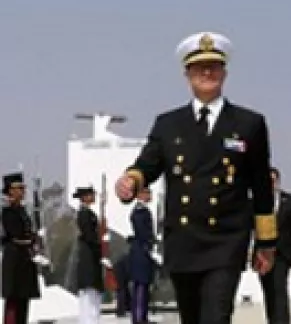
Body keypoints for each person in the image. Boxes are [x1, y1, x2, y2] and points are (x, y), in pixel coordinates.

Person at [113, 31, 278, 324]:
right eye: (199, 67)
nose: (207, 72)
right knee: (191, 318)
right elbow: (148, 164)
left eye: (214, 65)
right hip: (184, 241)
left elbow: (261, 186)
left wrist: (266, 242)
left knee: (216, 315)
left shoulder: (249, 123)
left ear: (224, 72)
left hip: (226, 239)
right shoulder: (168, 124)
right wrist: (131, 181)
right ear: (187, 74)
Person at [259, 166, 291, 324]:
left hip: (283, 254)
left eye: (273, 180)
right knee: (268, 291)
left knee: (279, 289)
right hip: (262, 254)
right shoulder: (256, 202)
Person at [1, 173, 41, 324]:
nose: (22, 191)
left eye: (23, 188)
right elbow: (16, 235)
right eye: (18, 188)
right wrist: (33, 239)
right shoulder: (7, 211)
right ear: (10, 190)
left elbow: (27, 232)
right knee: (13, 303)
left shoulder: (22, 211)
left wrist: (35, 237)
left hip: (25, 259)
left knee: (24, 301)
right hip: (14, 260)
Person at [74, 185, 104, 324]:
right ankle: (88, 320)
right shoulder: (84, 214)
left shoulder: (89, 213)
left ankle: (92, 319)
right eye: (91, 195)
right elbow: (89, 235)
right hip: (88, 253)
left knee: (93, 290)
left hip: (92, 253)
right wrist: (99, 245)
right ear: (85, 197)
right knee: (88, 291)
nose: (94, 197)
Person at [129, 186, 156, 324]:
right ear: (140, 194)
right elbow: (143, 233)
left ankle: (142, 316)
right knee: (140, 285)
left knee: (144, 286)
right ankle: (138, 318)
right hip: (141, 252)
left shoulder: (144, 210)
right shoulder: (140, 211)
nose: (150, 195)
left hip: (144, 251)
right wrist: (150, 246)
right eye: (147, 192)